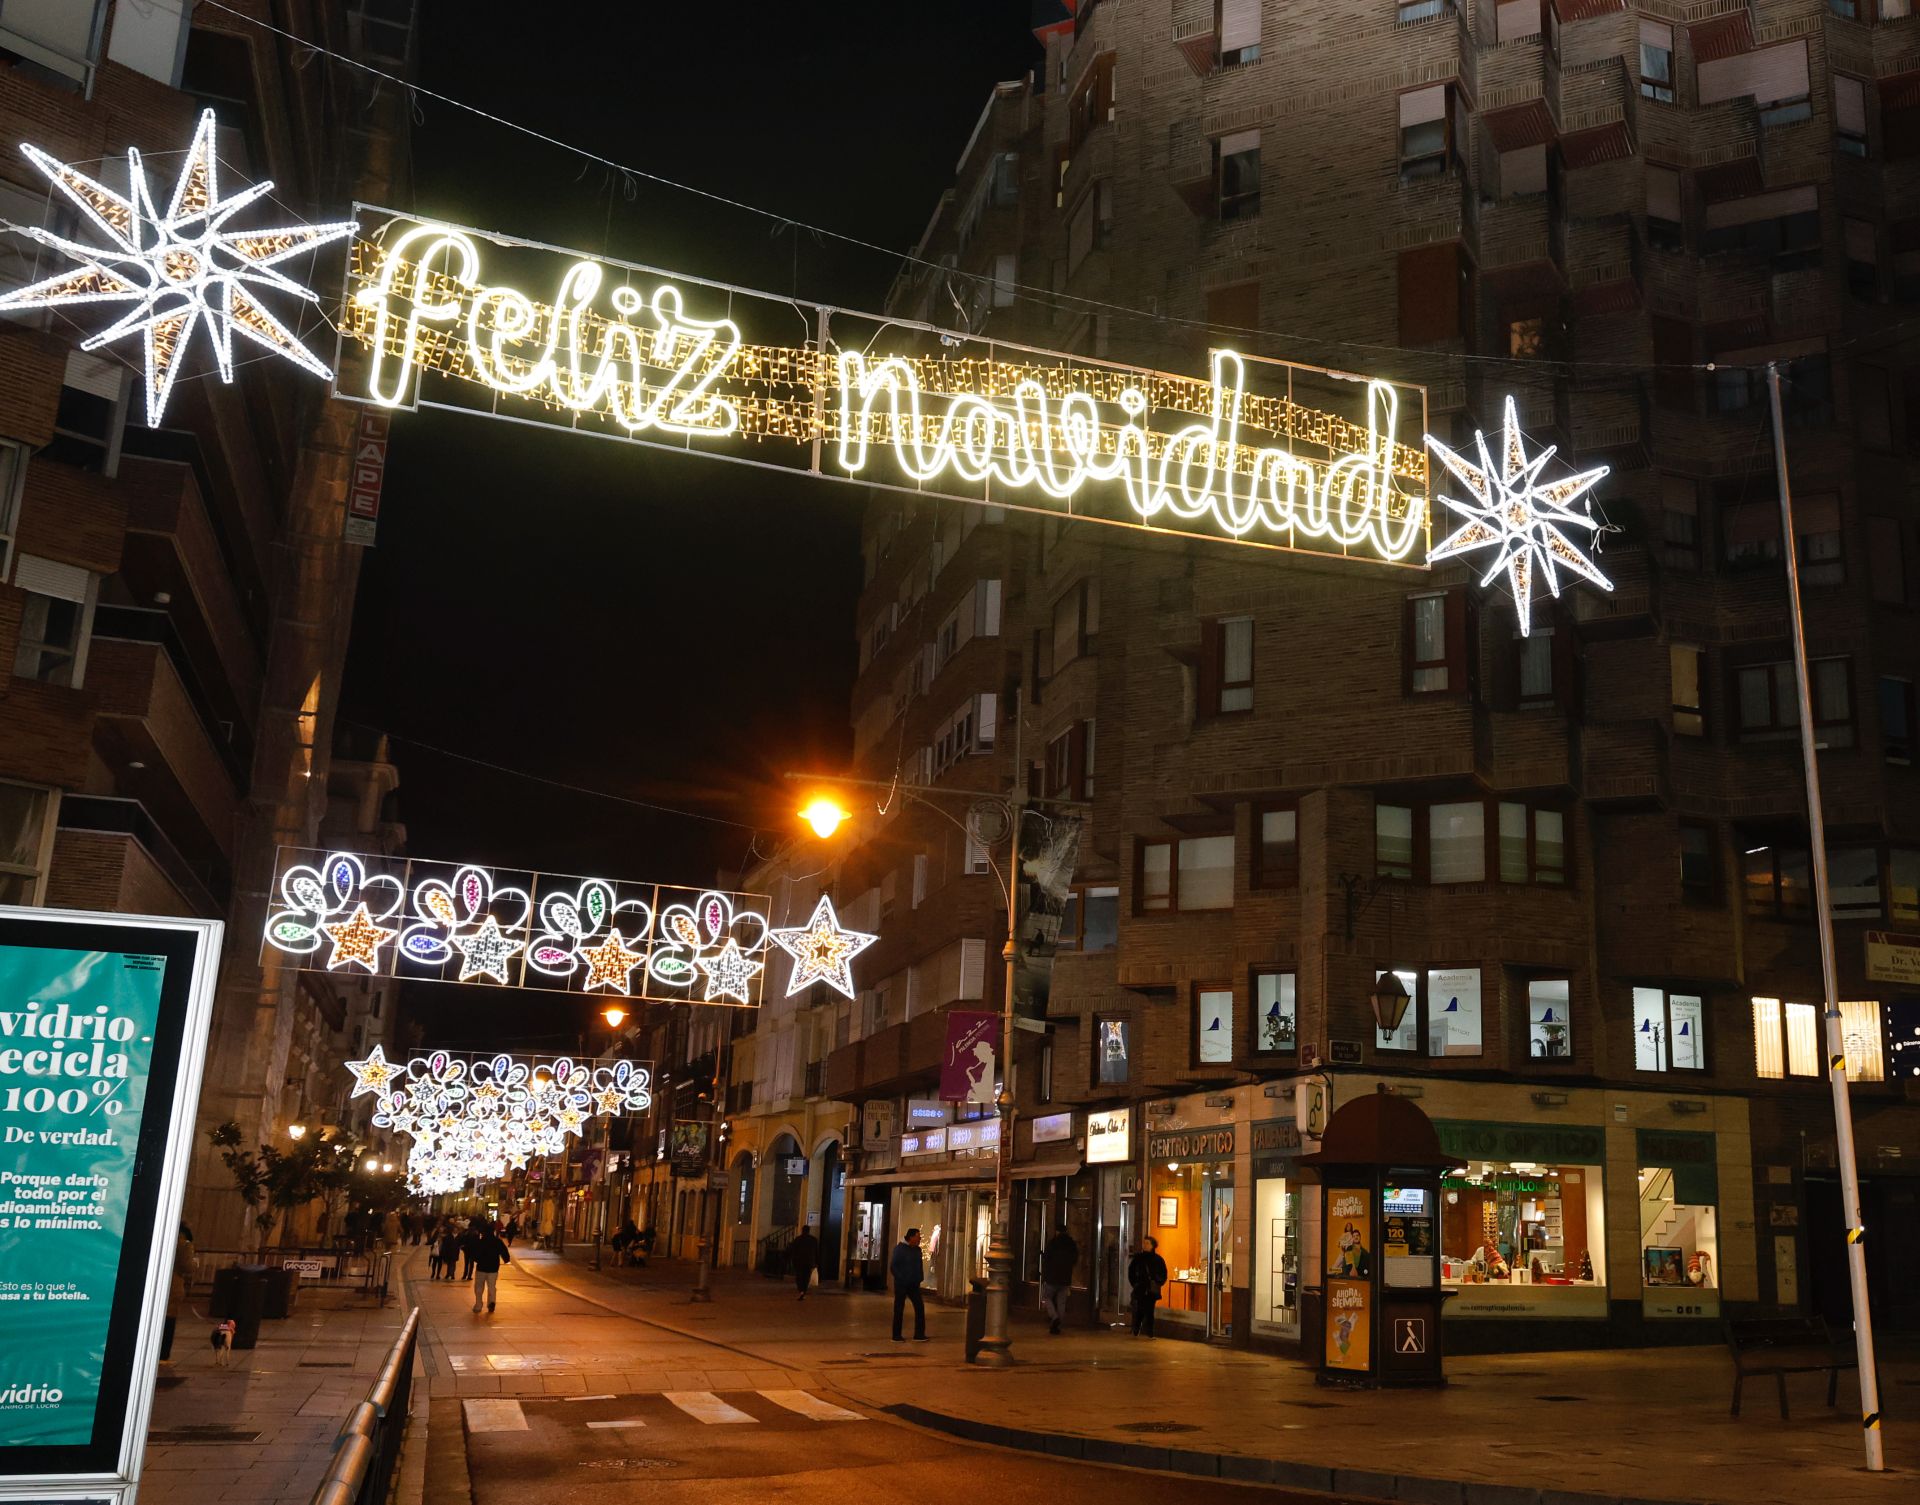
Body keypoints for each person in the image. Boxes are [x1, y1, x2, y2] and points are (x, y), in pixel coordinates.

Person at [1040, 1222, 1078, 1335]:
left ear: (1057, 1231)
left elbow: (1046, 1259)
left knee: (1047, 1297)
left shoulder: (1053, 1243)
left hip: (1052, 1277)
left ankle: (1054, 1317)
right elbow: (1075, 1258)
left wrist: (1045, 1275)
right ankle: (1058, 1322)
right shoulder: (1071, 1243)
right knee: (1062, 1302)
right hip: (1065, 1277)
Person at [890, 1227, 927, 1341]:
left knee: (919, 1307)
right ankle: (896, 1335)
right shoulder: (900, 1249)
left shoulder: (917, 1250)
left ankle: (919, 1334)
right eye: (917, 1237)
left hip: (914, 1284)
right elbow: (893, 1266)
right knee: (899, 1309)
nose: (919, 1239)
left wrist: (920, 1277)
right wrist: (901, 1278)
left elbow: (919, 1265)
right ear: (911, 1237)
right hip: (902, 1284)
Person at [1127, 1236, 1167, 1338]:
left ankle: (1149, 1332)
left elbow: (1163, 1273)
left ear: (1153, 1245)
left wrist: (1158, 1282)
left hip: (1151, 1289)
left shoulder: (1158, 1259)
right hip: (1140, 1287)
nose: (1145, 1245)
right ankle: (1136, 1329)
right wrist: (1135, 1283)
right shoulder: (1138, 1258)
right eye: (1144, 1243)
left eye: (1147, 1243)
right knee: (1139, 1309)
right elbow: (1131, 1271)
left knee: (1150, 1310)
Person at [470, 1219, 511, 1315]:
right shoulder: (497, 1241)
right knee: (492, 1287)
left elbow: (474, 1253)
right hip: (493, 1268)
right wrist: (506, 1259)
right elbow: (504, 1251)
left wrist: (477, 1260)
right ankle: (491, 1302)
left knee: (479, 1287)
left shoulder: (481, 1242)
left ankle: (478, 1305)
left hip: (481, 1268)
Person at [789, 1224, 820, 1300]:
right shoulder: (813, 1240)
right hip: (809, 1262)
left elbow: (793, 1251)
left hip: (799, 1262)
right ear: (809, 1231)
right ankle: (804, 1291)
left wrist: (793, 1261)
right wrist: (816, 1262)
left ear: (802, 1230)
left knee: (799, 1277)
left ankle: (801, 1290)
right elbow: (816, 1252)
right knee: (806, 1277)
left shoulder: (797, 1239)